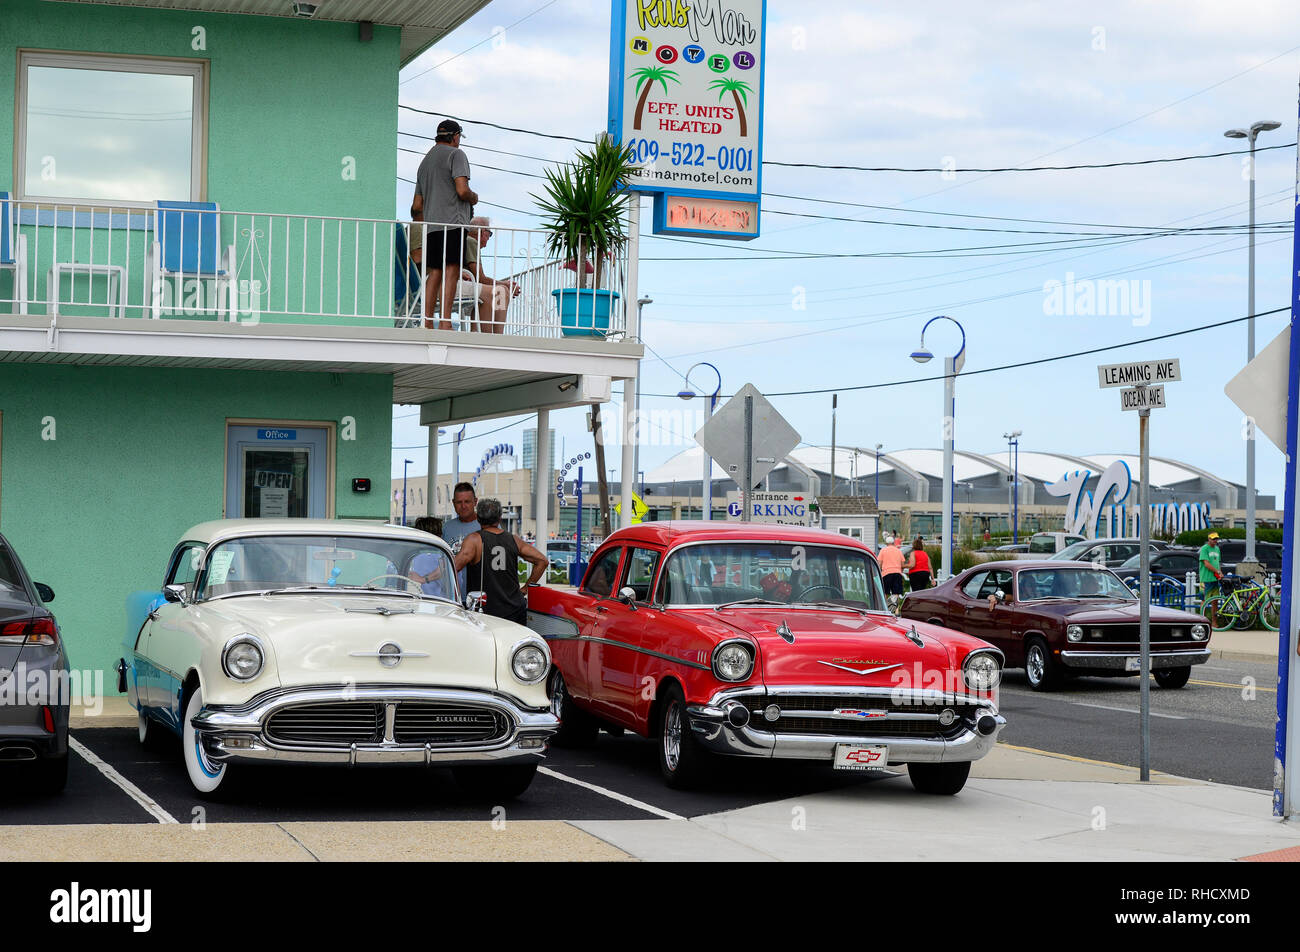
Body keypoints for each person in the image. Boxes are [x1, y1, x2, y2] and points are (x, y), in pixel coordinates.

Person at [411, 119, 478, 331]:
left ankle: (427, 322)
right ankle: (446, 322)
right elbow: (461, 190)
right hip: (453, 222)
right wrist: (473, 197)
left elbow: (416, 206)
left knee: (435, 272)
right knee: (451, 269)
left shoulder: (425, 163)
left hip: (432, 227)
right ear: (455, 136)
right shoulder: (456, 155)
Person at [453, 498, 548, 623]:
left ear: (478, 518)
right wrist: (525, 589)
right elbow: (542, 561)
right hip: (514, 609)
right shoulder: (513, 539)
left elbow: (454, 567)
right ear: (499, 518)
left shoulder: (474, 540)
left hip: (485, 612)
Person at [457, 217, 519, 333]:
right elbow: (480, 278)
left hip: (456, 282)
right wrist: (505, 284)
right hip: (454, 284)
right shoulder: (471, 241)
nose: (489, 238)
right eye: (489, 234)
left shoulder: (466, 240)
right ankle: (492, 336)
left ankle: (484, 333)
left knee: (498, 290)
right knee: (501, 291)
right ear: (482, 232)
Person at [442, 482, 479, 595]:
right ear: (453, 503)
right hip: (452, 596)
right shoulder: (447, 527)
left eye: (467, 501)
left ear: (475, 502)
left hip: (478, 596)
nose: (463, 506)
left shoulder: (486, 526)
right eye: (459, 502)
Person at [409, 515, 450, 598]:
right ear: (439, 535)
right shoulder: (445, 557)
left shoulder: (408, 556)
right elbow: (455, 585)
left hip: (410, 602)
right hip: (439, 604)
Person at [1199, 531, 1225, 626]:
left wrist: (1220, 572)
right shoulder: (1204, 549)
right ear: (1209, 539)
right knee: (1204, 601)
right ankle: (1201, 621)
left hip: (1215, 579)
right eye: (1213, 539)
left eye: (1216, 539)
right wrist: (1217, 571)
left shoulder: (1217, 549)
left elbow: (1218, 563)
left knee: (1215, 601)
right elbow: (1206, 564)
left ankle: (1214, 622)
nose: (1215, 540)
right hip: (1205, 579)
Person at [878, 535, 905, 608]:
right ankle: (895, 610)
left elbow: (879, 563)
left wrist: (880, 572)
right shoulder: (898, 551)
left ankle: (883, 608)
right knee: (896, 593)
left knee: (885, 593)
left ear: (886, 543)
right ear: (893, 543)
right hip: (897, 573)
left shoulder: (883, 550)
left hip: (886, 573)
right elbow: (902, 564)